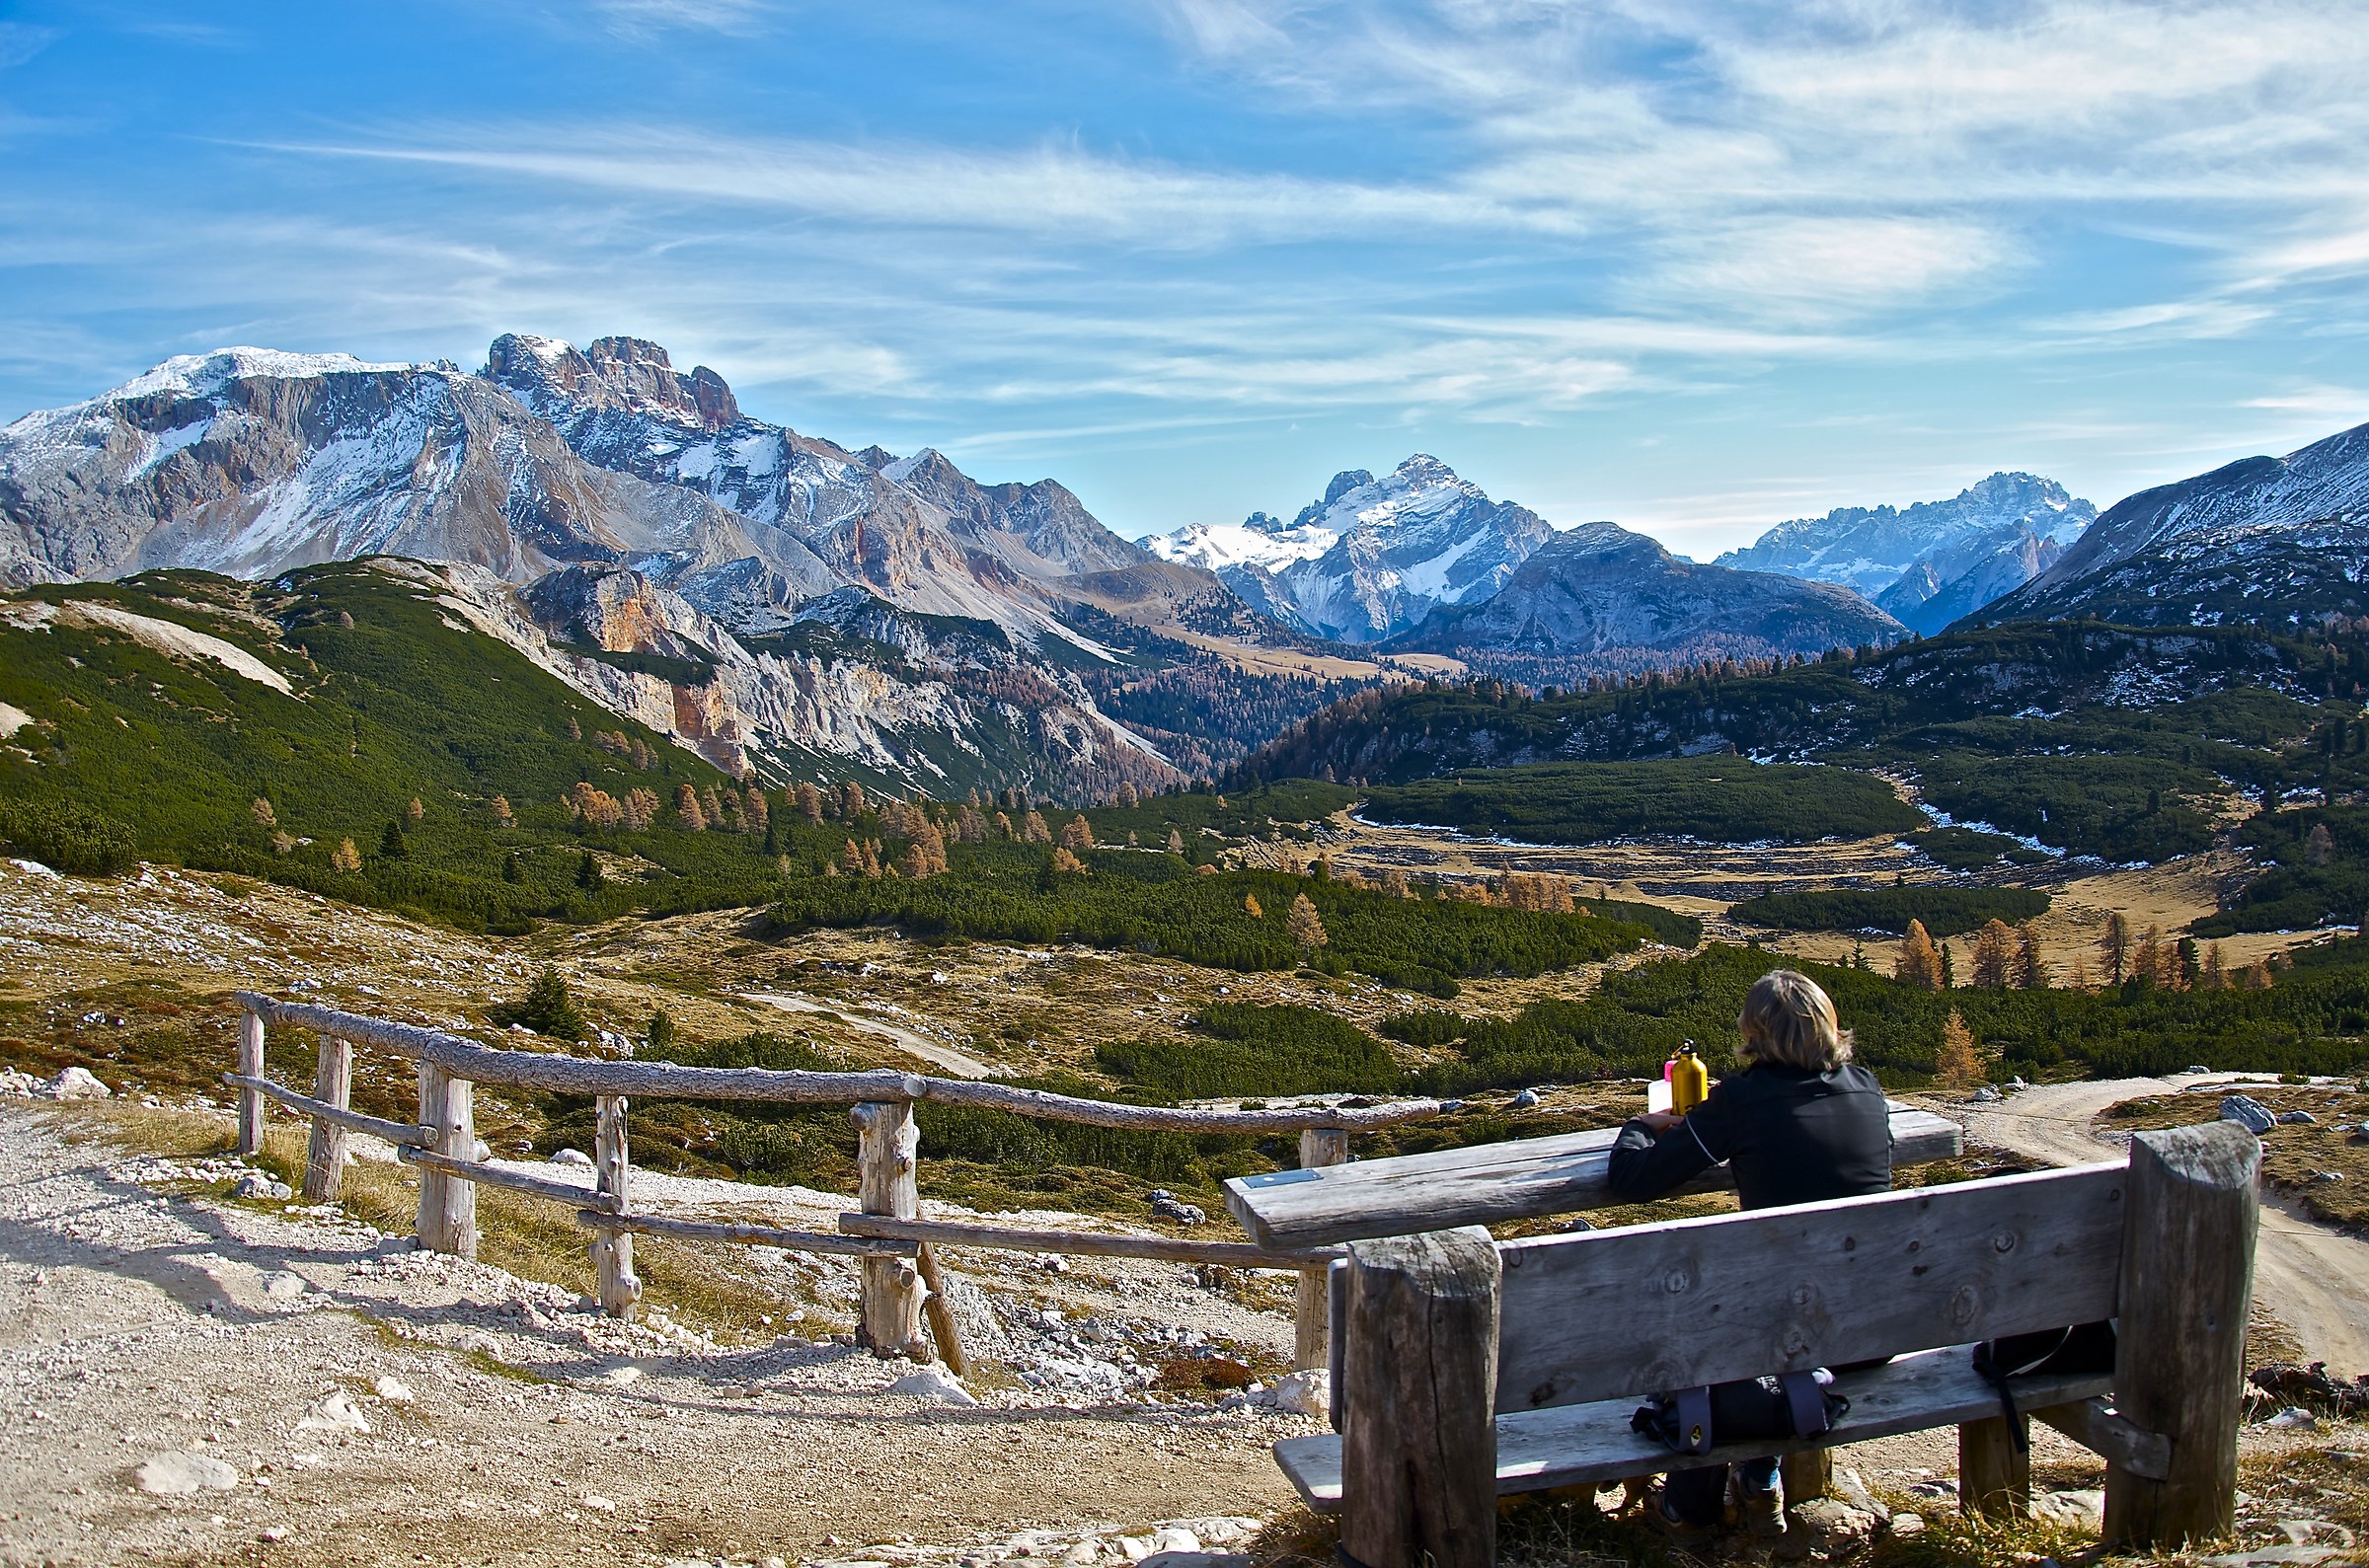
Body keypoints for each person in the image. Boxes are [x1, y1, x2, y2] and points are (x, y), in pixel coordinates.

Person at [1605, 969, 1892, 1546]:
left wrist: (1640, 1126)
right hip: (1871, 1333)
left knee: (1717, 1329)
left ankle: (1688, 1510)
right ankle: (1760, 1482)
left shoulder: (1743, 1100)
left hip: (1787, 1341)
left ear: (1755, 1034)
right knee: (1772, 1313)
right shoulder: (1866, 1088)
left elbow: (1633, 1179)